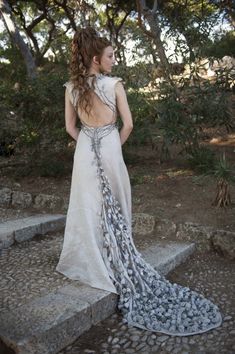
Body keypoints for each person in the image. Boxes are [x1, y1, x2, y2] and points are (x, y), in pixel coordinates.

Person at [56, 27, 223, 336]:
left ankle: (91, 260)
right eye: (110, 55)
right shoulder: (114, 85)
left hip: (85, 150)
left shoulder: (70, 88)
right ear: (96, 58)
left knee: (87, 206)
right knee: (116, 202)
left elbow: (69, 127)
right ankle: (114, 257)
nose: (114, 60)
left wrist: (87, 143)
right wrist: (109, 146)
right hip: (108, 145)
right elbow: (129, 124)